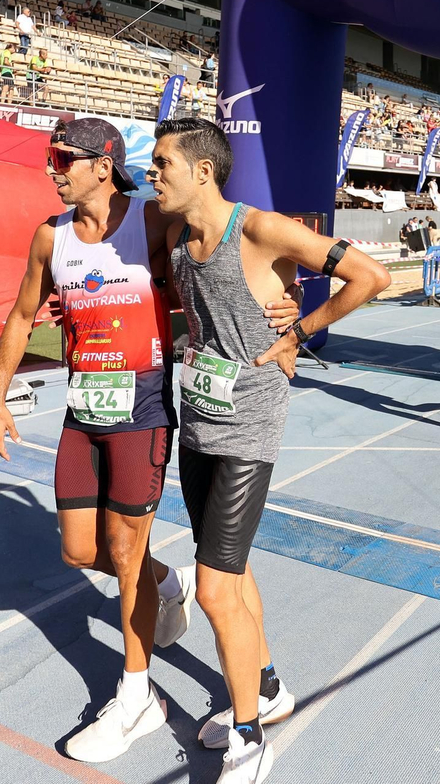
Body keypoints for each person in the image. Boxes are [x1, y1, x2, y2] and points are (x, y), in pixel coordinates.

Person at [0, 118, 302, 769]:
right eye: (50, 157)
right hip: (84, 411)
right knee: (80, 550)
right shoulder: (51, 237)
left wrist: (288, 301)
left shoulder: (153, 221)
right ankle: (166, 587)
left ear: (103, 165)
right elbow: (21, 316)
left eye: (62, 157)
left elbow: (245, 243)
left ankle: (137, 697)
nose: (52, 167)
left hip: (145, 410)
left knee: (127, 552)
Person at [151, 117, 390, 783]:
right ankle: (271, 687)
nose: (154, 173)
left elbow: (372, 275)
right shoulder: (174, 235)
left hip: (249, 428)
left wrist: (301, 332)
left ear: (202, 170)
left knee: (214, 586)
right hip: (199, 421)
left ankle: (250, 739)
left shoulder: (260, 230)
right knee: (231, 567)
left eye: (163, 162)